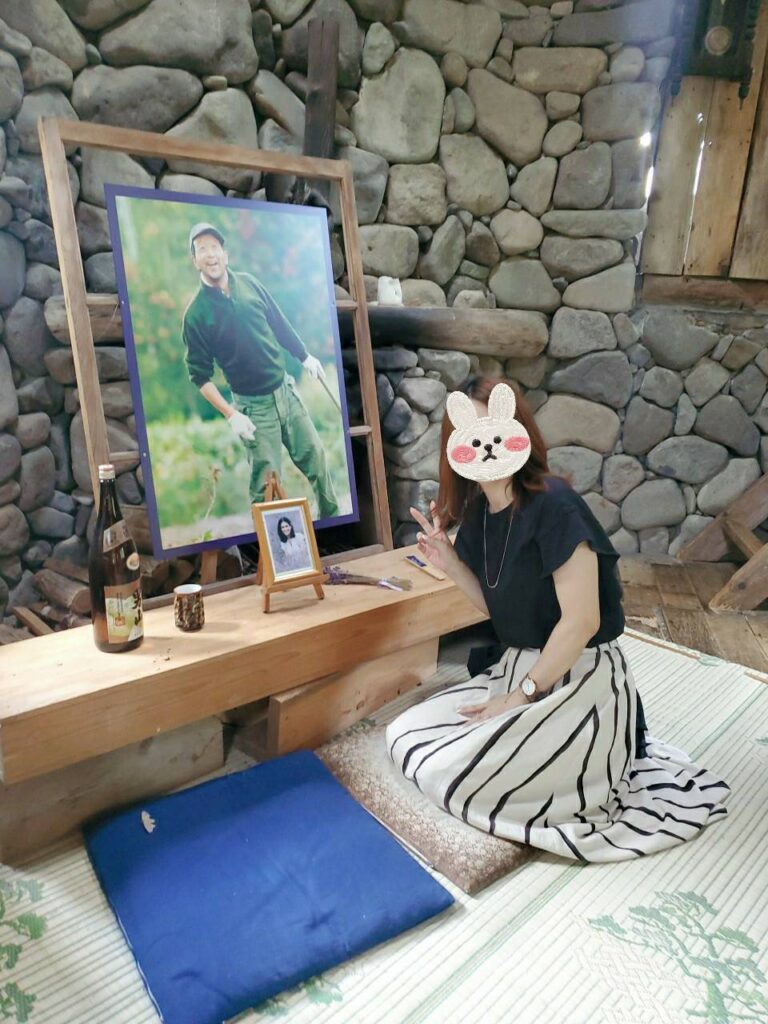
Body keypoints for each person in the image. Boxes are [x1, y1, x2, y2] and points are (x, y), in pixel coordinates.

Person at [385, 377, 730, 862]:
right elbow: (498, 607)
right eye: (470, 434)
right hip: (519, 667)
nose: (485, 445)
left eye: (494, 429)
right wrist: (450, 562)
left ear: (518, 432)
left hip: (580, 677)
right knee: (403, 734)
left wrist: (520, 696)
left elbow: (582, 622)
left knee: (455, 774)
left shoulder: (555, 505)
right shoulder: (481, 513)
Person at [181, 222, 339, 518]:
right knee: (267, 486)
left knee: (317, 460)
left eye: (215, 247)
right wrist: (232, 415)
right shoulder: (196, 315)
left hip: (285, 392)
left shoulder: (249, 284)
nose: (210, 254)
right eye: (202, 249)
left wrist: (305, 356)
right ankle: (269, 545)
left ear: (225, 254)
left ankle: (333, 522)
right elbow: (199, 377)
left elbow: (278, 323)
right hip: (253, 409)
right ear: (195, 260)